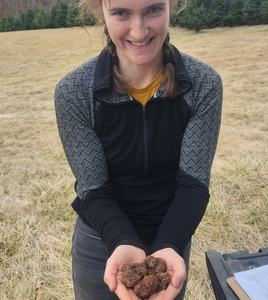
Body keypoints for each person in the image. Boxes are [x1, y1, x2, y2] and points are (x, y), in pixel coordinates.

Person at [54, 0, 222, 299]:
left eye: (153, 10)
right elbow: (94, 189)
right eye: (121, 12)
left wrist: (169, 244)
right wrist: (121, 241)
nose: (139, 30)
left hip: (171, 238)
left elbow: (193, 184)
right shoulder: (74, 92)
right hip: (100, 241)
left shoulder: (203, 84)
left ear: (172, 6)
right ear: (99, 10)